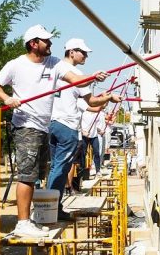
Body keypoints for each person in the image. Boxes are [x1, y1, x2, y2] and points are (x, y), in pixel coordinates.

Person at [0, 26, 108, 237]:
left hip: (44, 126)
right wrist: (7, 98)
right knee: (27, 175)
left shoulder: (53, 63)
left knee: (38, 174)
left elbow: (74, 79)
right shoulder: (16, 65)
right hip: (26, 124)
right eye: (46, 41)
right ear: (34, 43)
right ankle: (22, 223)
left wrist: (92, 77)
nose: (50, 44)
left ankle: (32, 217)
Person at [47, 38, 121, 220]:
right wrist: (106, 96)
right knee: (62, 167)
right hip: (67, 125)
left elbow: (93, 104)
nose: (86, 55)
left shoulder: (52, 68)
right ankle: (52, 209)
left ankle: (51, 207)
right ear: (71, 52)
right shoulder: (76, 74)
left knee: (57, 167)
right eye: (83, 52)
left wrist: (107, 98)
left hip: (51, 123)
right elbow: (92, 101)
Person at [79, 101, 106, 177]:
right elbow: (78, 123)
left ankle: (98, 170)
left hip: (94, 136)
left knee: (97, 153)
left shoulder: (97, 114)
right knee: (83, 153)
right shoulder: (83, 112)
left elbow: (97, 125)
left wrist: (100, 131)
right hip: (84, 136)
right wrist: (82, 132)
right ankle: (83, 171)